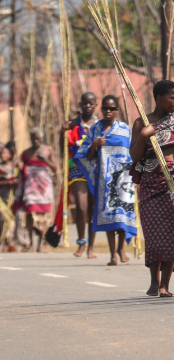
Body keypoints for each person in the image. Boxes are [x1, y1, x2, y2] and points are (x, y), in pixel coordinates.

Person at [130, 80, 174, 297]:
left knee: (171, 235)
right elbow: (134, 156)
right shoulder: (141, 122)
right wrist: (144, 136)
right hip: (151, 184)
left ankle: (165, 284)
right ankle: (154, 281)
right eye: (171, 97)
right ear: (158, 98)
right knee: (152, 235)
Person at [74, 95, 135, 266]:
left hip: (124, 179)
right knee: (109, 215)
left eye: (112, 108)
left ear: (117, 110)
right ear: (101, 110)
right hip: (105, 179)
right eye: (105, 108)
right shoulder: (95, 129)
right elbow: (86, 156)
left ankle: (121, 249)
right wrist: (94, 144)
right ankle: (112, 254)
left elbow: (134, 152)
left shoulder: (125, 129)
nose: (108, 111)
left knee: (122, 215)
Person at [64, 92, 98, 258]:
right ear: (80, 104)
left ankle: (91, 246)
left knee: (93, 208)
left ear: (96, 105)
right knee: (81, 206)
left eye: (91, 103)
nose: (88, 106)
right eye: (85, 103)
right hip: (77, 168)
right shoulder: (73, 123)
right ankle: (81, 242)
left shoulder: (100, 124)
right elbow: (64, 146)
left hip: (96, 169)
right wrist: (62, 132)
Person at [14, 128, 57, 253]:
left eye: (38, 138)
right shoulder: (26, 152)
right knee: (30, 213)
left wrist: (46, 160)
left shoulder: (48, 150)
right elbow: (21, 165)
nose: (36, 140)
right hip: (31, 186)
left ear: (41, 138)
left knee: (45, 215)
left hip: (44, 186)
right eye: (34, 138)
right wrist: (19, 165)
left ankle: (42, 243)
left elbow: (55, 167)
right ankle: (32, 242)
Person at [0, 143, 16, 250]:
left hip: (9, 195)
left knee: (8, 219)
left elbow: (15, 179)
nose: (2, 155)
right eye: (1, 153)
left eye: (4, 153)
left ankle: (8, 242)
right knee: (4, 218)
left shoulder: (13, 166)